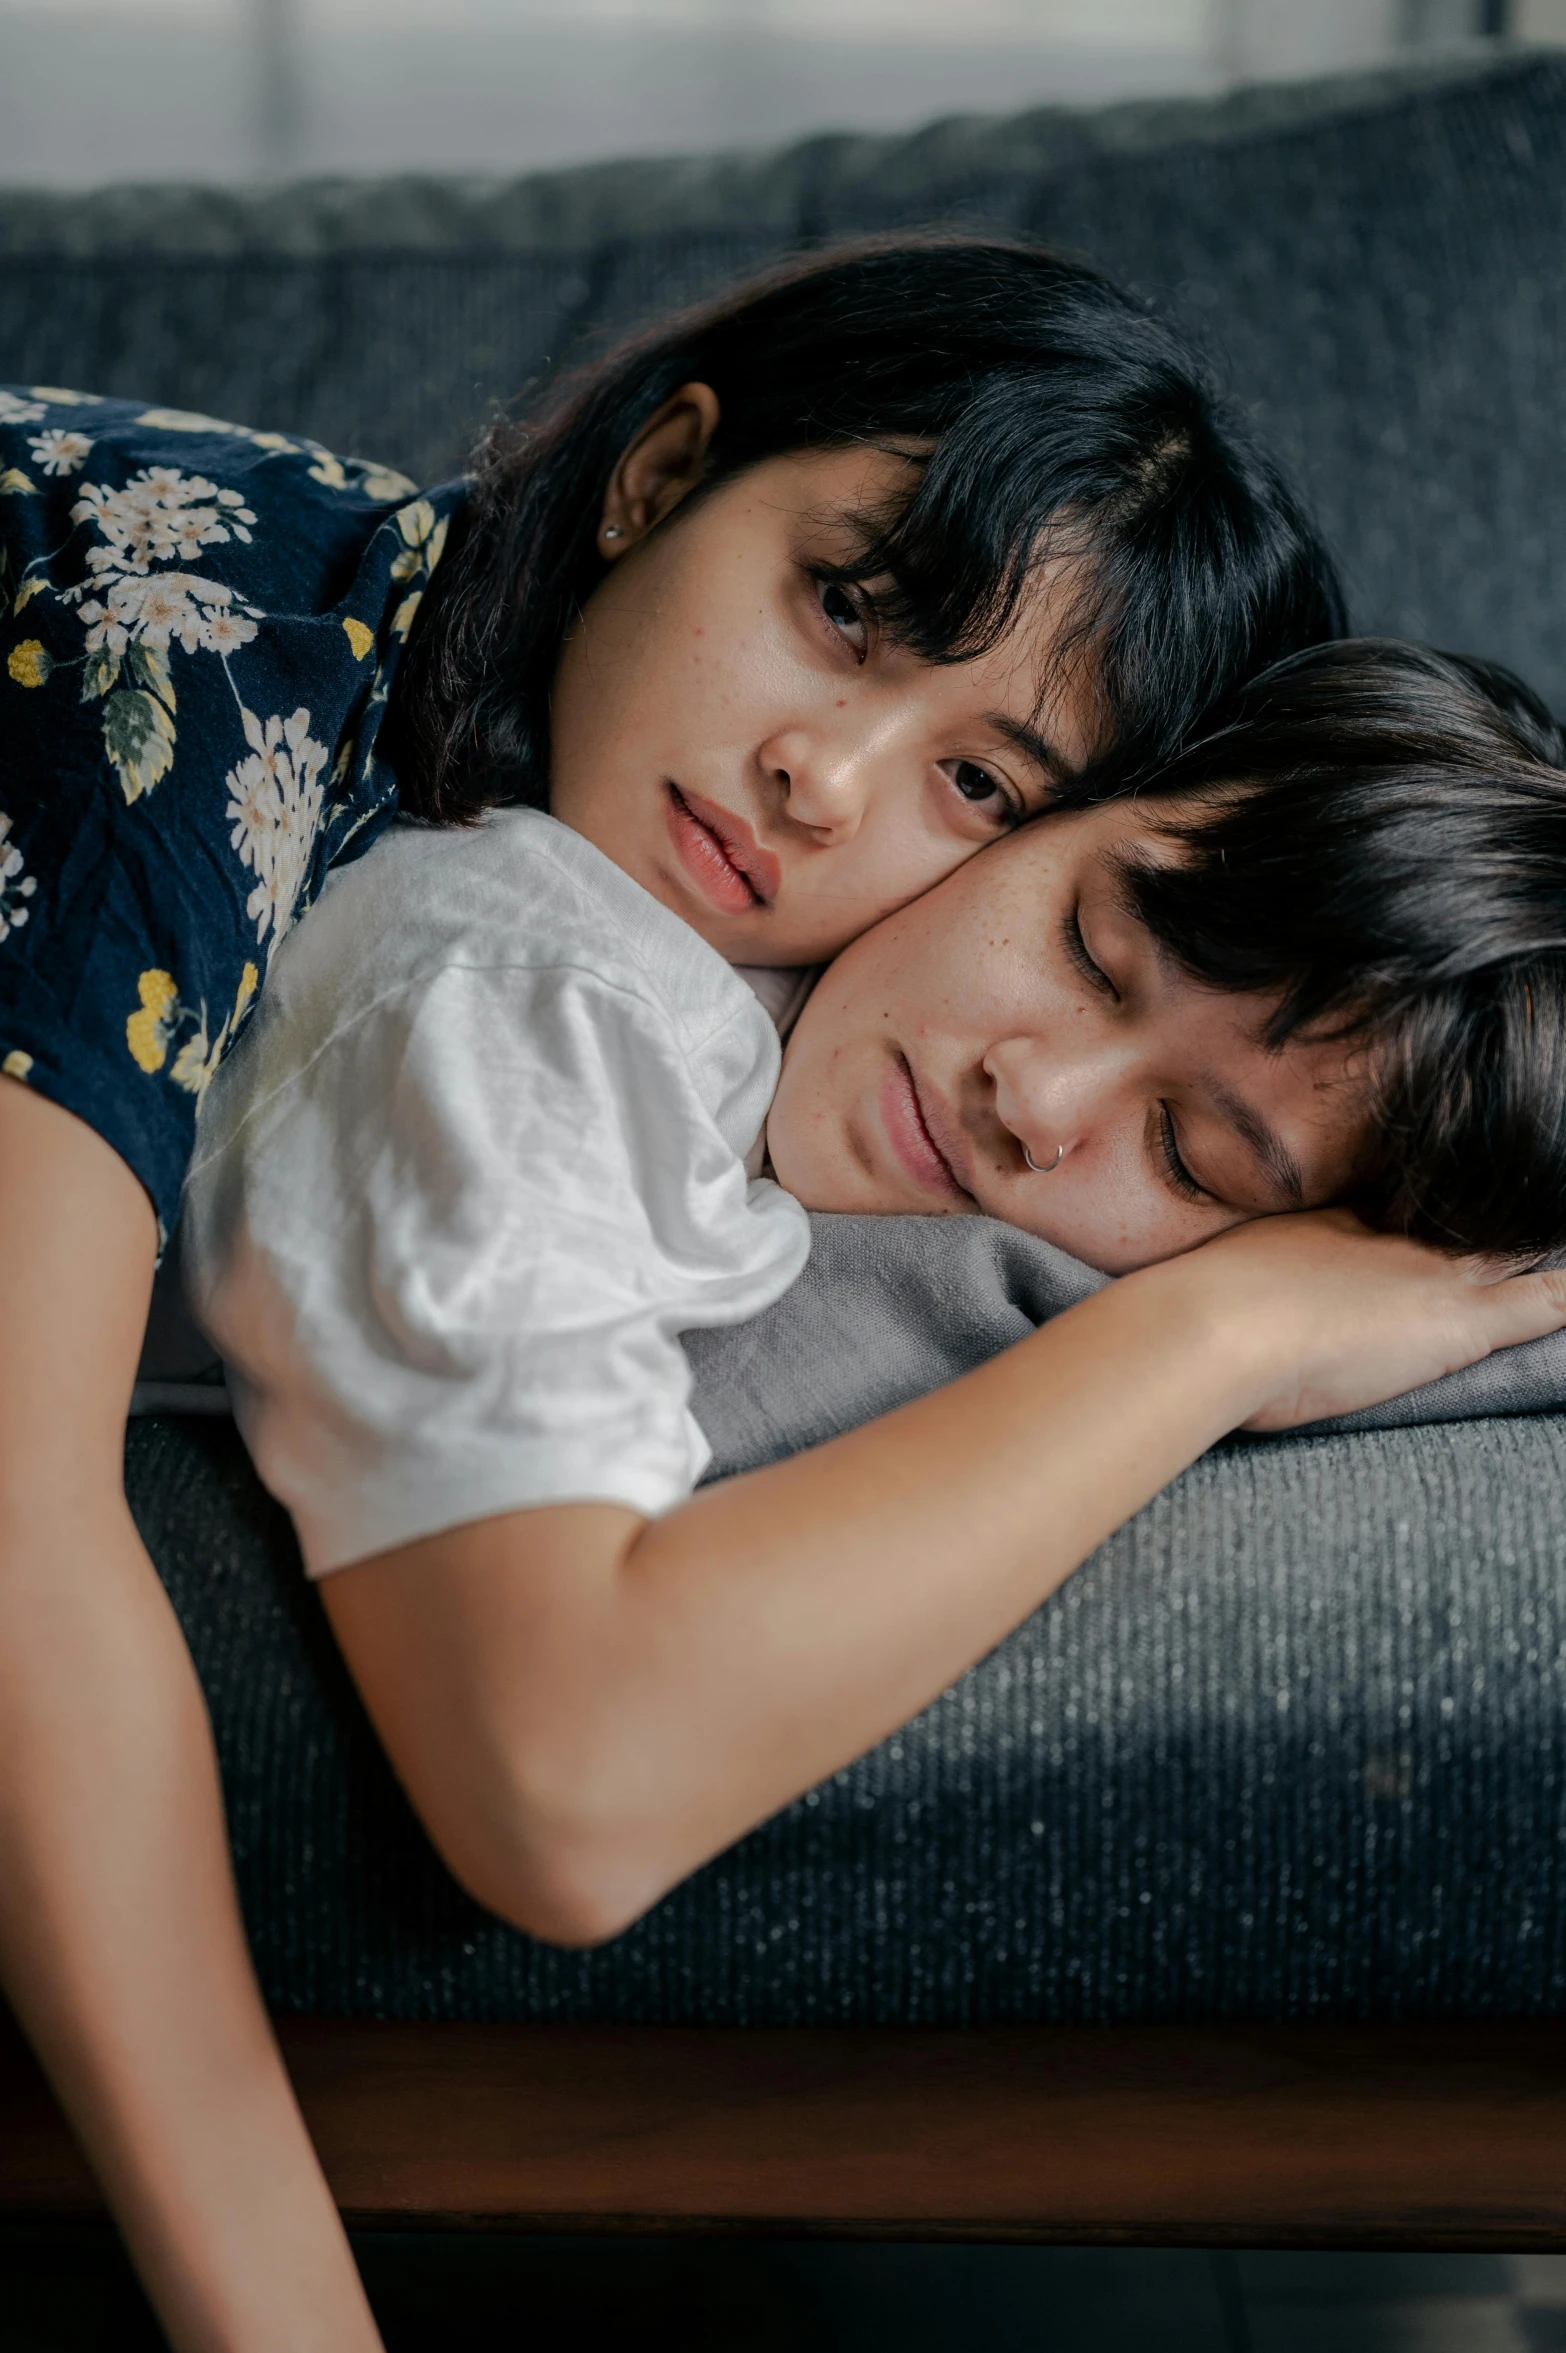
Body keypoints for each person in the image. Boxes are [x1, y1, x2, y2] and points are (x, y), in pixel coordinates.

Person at [0, 237, 1347, 2352]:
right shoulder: (219, 657)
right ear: (660, 476)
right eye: (847, 608)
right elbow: (7, 1508)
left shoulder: (653, 919)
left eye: (977, 784)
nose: (825, 775)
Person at [181, 637, 1566, 1982]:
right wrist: (1223, 1329)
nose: (1033, 1097)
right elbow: (569, 1789)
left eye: (1189, 1158)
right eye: (1088, 948)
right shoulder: (547, 986)